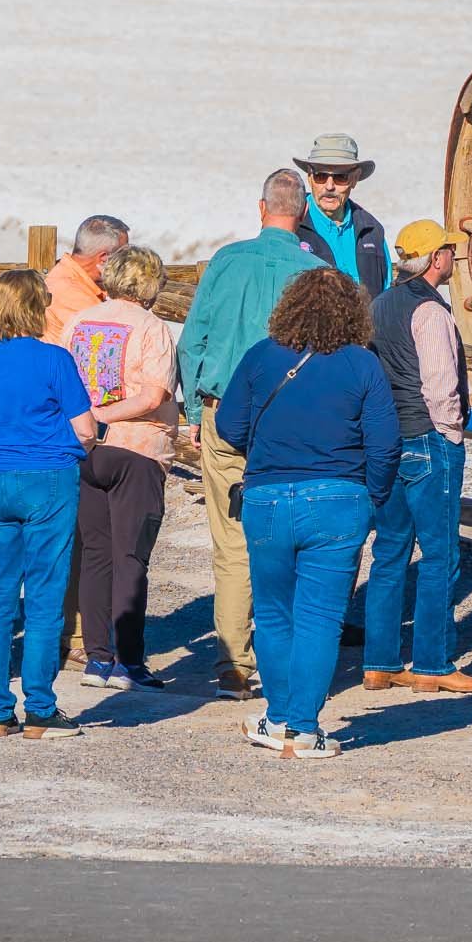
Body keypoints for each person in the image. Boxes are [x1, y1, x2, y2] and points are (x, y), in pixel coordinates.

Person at [218, 268, 399, 759]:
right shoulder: (362, 364)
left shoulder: (261, 355)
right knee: (320, 617)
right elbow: (385, 444)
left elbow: (229, 425)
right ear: (353, 312)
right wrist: (374, 497)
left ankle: (278, 718)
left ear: (290, 306)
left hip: (267, 496)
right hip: (339, 496)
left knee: (273, 614)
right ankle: (303, 728)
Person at [176, 169, 320, 700]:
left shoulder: (226, 261)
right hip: (292, 417)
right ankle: (288, 660)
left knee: (231, 539)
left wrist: (195, 410)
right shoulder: (315, 272)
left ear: (261, 209)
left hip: (222, 411)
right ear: (302, 212)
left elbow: (192, 342)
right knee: (291, 533)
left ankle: (234, 663)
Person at [0, 269, 98, 739]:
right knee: (44, 594)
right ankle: (40, 706)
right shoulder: (54, 359)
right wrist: (81, 448)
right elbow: (85, 427)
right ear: (35, 306)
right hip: (48, 474)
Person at [362, 220, 472, 695]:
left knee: (390, 551)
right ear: (436, 258)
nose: (453, 257)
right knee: (440, 555)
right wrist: (452, 434)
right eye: (448, 251)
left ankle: (380, 662)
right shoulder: (430, 311)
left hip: (387, 442)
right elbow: (439, 385)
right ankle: (433, 664)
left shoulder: (379, 305)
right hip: (428, 438)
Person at [64, 245, 178, 692]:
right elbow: (154, 395)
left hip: (85, 449)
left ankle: (97, 657)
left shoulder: (79, 322)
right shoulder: (152, 327)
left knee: (95, 555)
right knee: (130, 557)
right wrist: (105, 415)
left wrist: (87, 419)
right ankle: (129, 661)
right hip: (137, 448)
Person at [44, 214, 130, 669]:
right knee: (79, 535)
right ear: (104, 257)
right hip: (69, 428)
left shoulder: (69, 286)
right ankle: (72, 632)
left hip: (63, 424)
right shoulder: (74, 299)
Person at [293, 133, 388, 298]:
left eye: (340, 177)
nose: (329, 186)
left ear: (355, 179)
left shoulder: (372, 231)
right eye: (321, 176)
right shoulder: (291, 225)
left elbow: (385, 297)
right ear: (309, 177)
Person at [45, 214, 131, 345]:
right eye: (124, 256)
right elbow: (115, 339)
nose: (127, 261)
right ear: (104, 258)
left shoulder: (72, 278)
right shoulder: (69, 291)